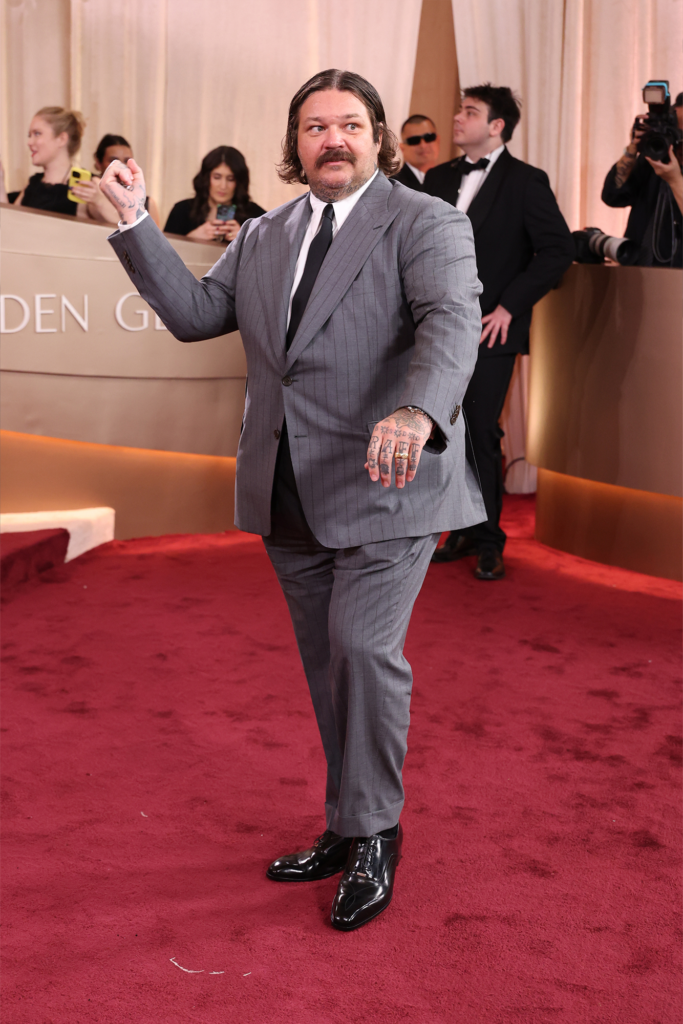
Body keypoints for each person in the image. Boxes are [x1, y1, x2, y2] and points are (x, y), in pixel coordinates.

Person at [100, 69, 484, 931]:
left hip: (390, 483)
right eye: (315, 127)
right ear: (294, 142)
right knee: (327, 664)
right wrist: (131, 224)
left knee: (360, 648)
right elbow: (198, 315)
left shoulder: (426, 221)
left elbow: (451, 323)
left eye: (350, 124)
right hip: (287, 489)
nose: (333, 139)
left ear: (378, 136)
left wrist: (419, 410)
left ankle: (377, 833)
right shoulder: (268, 233)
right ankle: (347, 826)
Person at [425, 84, 574, 580]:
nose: (456, 117)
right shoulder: (439, 177)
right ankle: (458, 527)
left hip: (489, 330)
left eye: (469, 111)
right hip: (431, 326)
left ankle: (489, 535)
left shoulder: (527, 181)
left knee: (481, 430)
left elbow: (556, 249)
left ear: (496, 126)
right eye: (459, 108)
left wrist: (510, 306)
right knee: (444, 431)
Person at [601, 91, 683, 267]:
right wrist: (634, 148)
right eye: (675, 128)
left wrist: (675, 180)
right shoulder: (656, 158)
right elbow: (613, 196)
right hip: (638, 272)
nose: (678, 136)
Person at [0, 107, 95, 220]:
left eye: (37, 134)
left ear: (61, 139)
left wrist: (100, 201)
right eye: (29, 135)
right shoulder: (33, 183)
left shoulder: (85, 186)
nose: (29, 142)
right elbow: (10, 223)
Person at [163, 146, 265, 243]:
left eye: (230, 179)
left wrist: (246, 240)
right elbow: (162, 254)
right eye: (217, 177)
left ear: (239, 182)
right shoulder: (181, 210)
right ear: (206, 178)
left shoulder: (256, 217)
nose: (223, 186)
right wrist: (189, 239)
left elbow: (272, 254)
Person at [71, 134, 162, 227]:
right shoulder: (88, 192)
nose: (121, 166)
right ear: (98, 162)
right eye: (113, 161)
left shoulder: (148, 204)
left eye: (127, 161)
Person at [390, 114, 440, 191]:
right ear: (403, 148)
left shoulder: (449, 181)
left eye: (429, 137)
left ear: (438, 141)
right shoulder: (394, 186)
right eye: (414, 140)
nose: (423, 145)